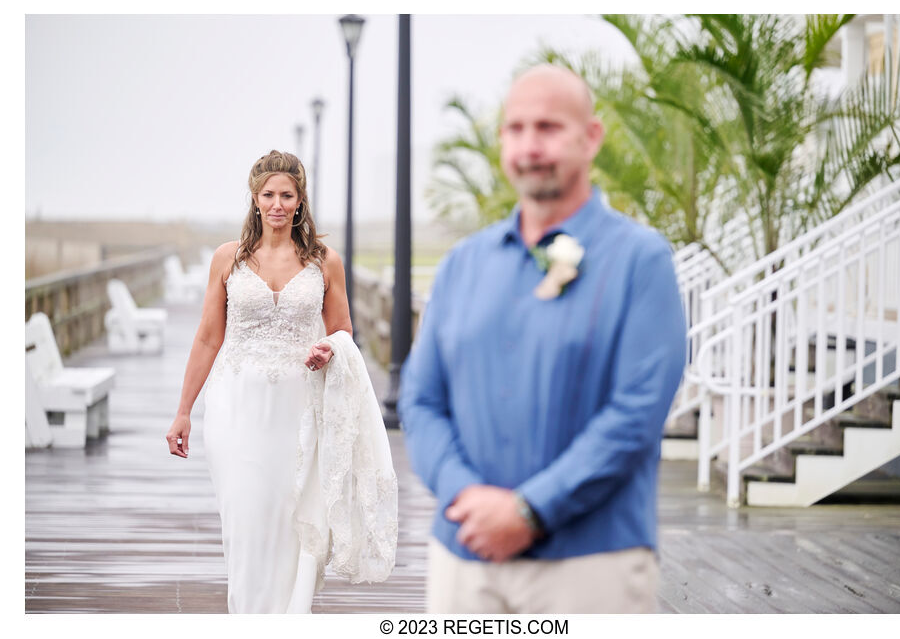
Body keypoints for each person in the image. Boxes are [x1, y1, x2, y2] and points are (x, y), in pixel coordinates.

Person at [398, 65, 687, 613]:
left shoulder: (641, 261)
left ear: (591, 137)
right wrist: (466, 496)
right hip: (464, 557)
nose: (530, 146)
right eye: (516, 129)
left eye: (549, 128)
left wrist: (529, 512)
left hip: (590, 564)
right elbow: (421, 398)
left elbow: (637, 412)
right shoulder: (463, 263)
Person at [166, 150, 397, 614]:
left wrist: (329, 347)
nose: (277, 203)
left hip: (297, 406)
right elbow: (209, 338)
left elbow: (344, 329)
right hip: (236, 404)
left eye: (286, 195)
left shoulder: (324, 261)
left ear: (299, 200)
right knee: (244, 517)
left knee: (291, 518)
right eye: (268, 194)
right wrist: (184, 411)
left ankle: (289, 617)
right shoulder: (227, 259)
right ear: (254, 199)